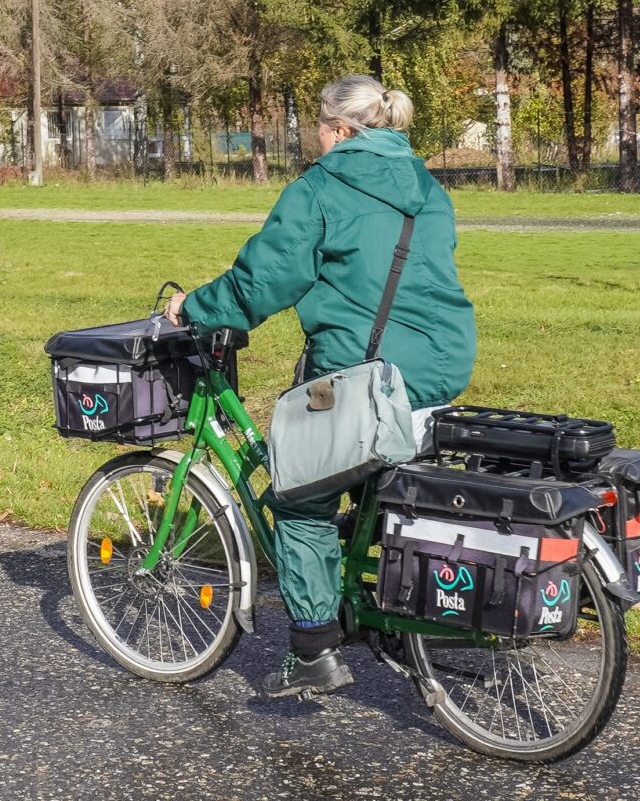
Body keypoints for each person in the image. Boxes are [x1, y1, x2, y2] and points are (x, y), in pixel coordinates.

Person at [159, 73, 477, 699]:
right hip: (442, 360)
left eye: (316, 128)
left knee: (301, 493)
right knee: (373, 472)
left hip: (367, 370)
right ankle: (381, 608)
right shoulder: (426, 184)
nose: (314, 139)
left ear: (336, 130)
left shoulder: (321, 187)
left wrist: (195, 307)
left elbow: (264, 280)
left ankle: (312, 651)